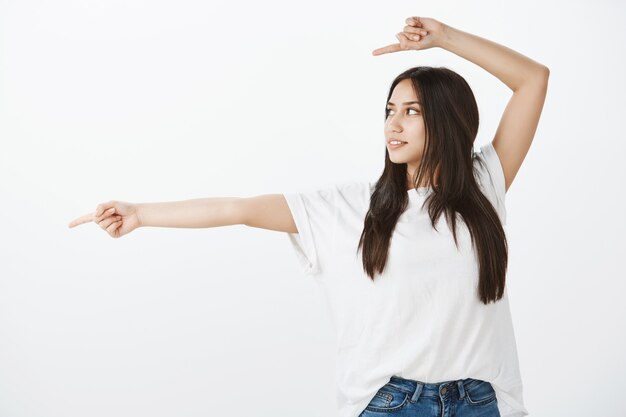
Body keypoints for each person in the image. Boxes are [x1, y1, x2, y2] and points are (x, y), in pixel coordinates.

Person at [68, 16, 549, 417]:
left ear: (445, 119)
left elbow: (533, 79)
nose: (392, 124)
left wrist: (445, 37)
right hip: (392, 404)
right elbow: (239, 208)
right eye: (389, 110)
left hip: (484, 402)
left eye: (411, 111)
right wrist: (141, 213)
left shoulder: (485, 185)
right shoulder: (351, 207)